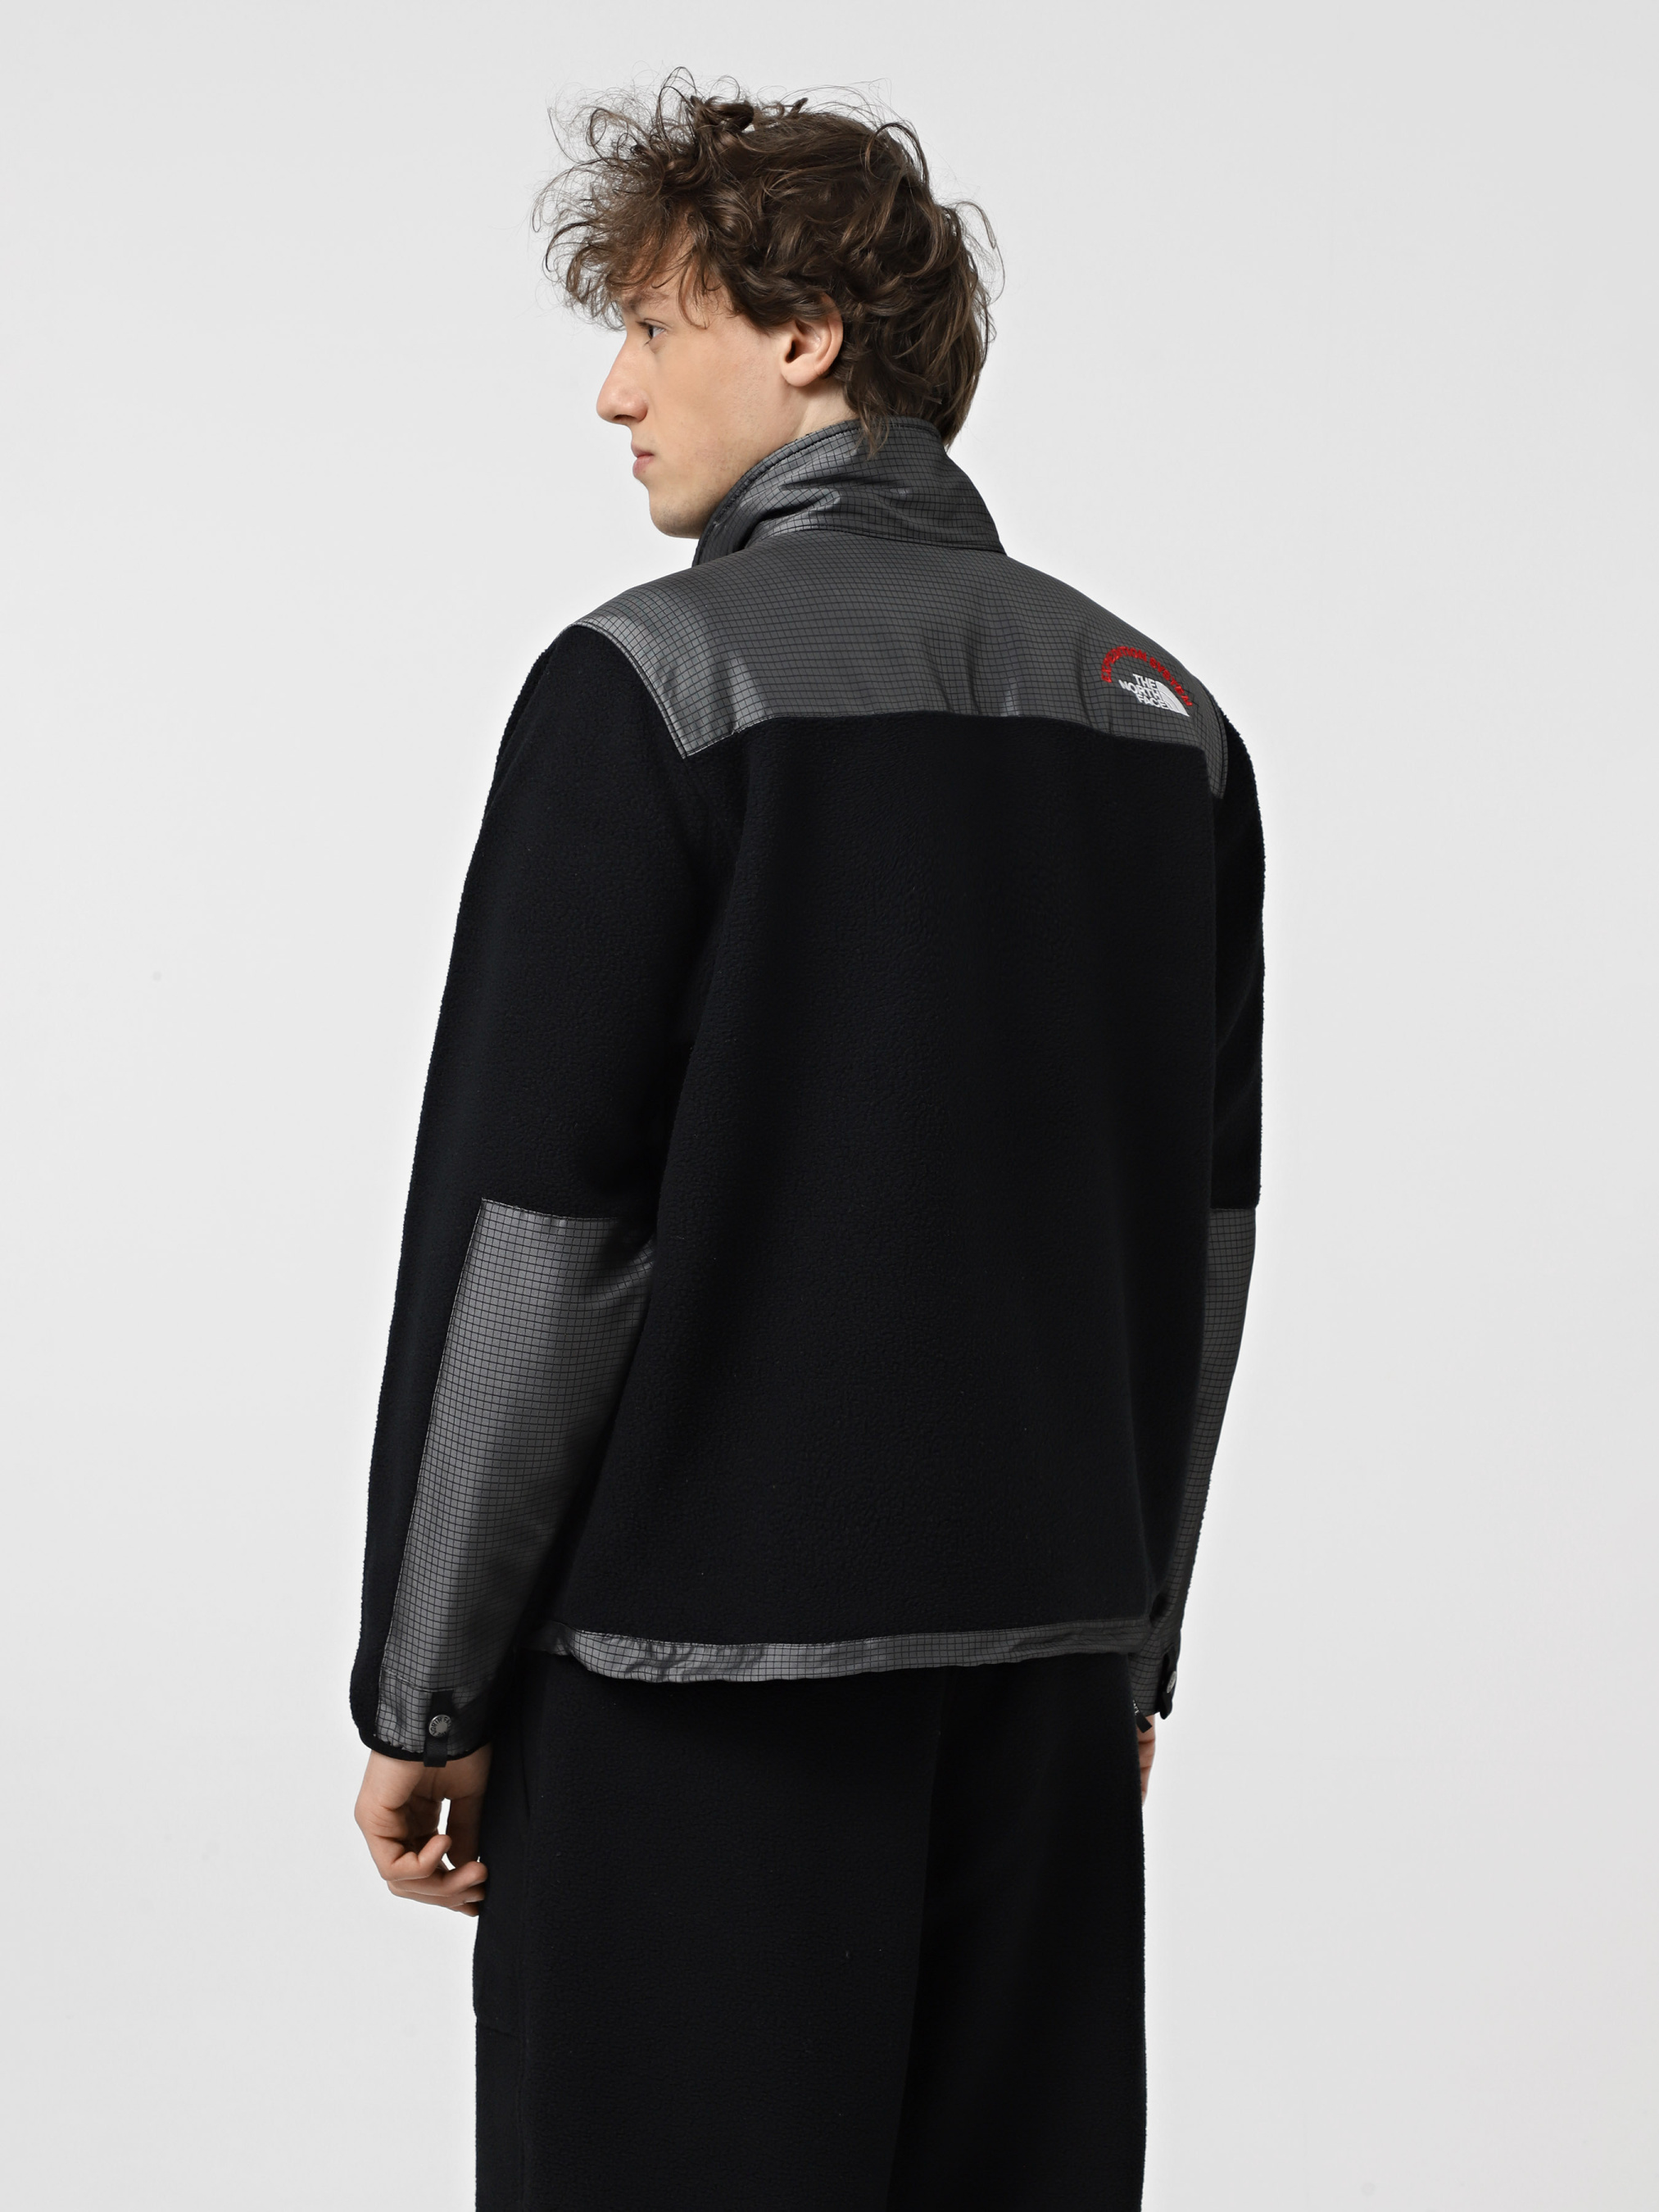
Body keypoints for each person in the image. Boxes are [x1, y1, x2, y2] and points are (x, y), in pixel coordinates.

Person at [351, 77, 1262, 2212]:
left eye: (650, 324)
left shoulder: (648, 683)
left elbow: (538, 1231)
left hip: (696, 1703)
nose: (612, 390)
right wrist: (1128, 1635)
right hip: (1044, 1679)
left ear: (804, 334)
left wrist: (425, 1684)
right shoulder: (1165, 717)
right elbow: (1197, 1238)